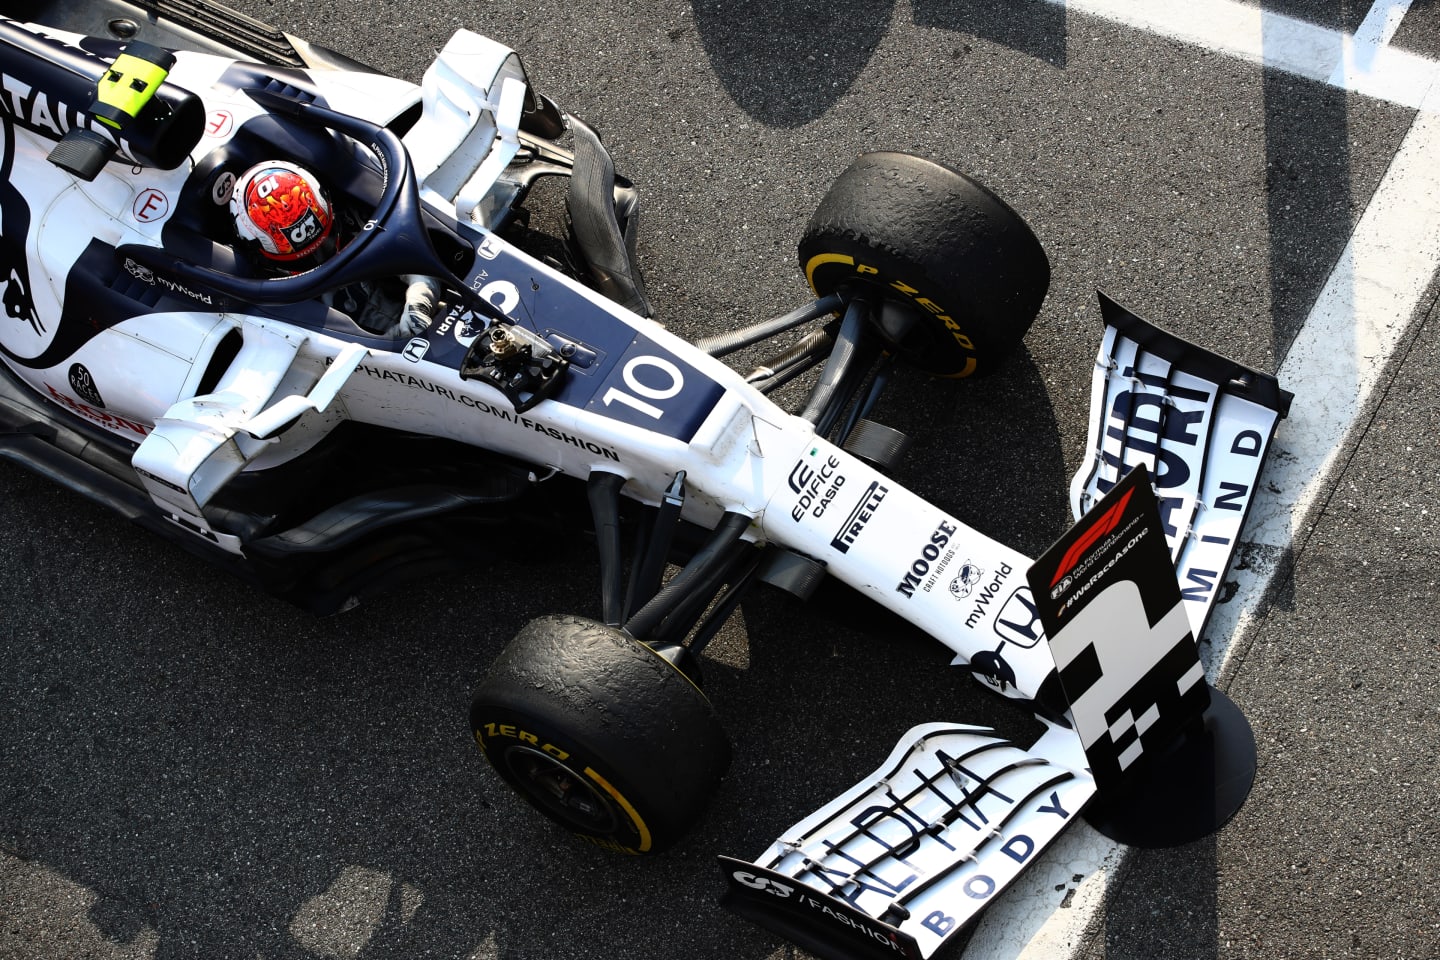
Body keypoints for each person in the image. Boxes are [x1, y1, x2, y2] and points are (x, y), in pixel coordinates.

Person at [229, 160, 439, 339]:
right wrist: (397, 338)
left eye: (326, 241)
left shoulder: (352, 216)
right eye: (306, 258)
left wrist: (419, 300)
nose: (323, 258)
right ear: (260, 252)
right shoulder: (268, 301)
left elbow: (411, 254)